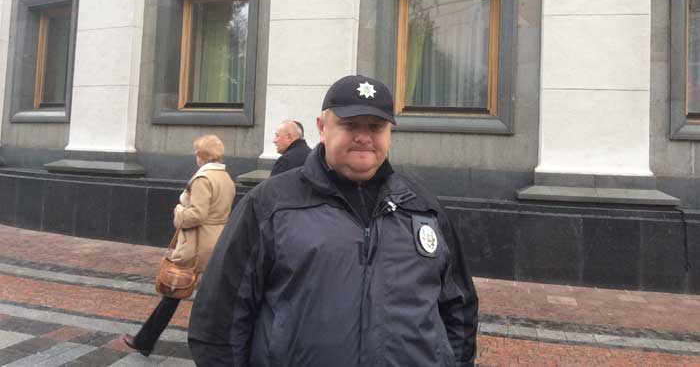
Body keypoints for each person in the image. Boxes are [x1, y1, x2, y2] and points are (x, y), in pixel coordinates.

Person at [188, 75, 478, 367]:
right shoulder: (270, 205)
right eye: (350, 125)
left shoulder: (423, 207)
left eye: (376, 127)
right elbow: (219, 319)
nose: (364, 137)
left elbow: (459, 309)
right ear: (322, 127)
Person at [122, 134, 235, 357]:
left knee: (174, 289)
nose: (195, 156)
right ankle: (145, 339)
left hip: (198, 243)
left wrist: (179, 211)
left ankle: (146, 340)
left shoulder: (203, 179)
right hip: (217, 240)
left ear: (202, 155)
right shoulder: (226, 178)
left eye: (197, 152)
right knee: (206, 296)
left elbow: (197, 215)